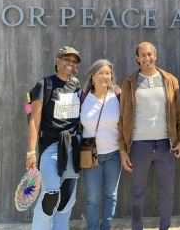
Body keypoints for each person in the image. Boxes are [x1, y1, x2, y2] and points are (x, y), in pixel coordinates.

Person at [118, 42, 180, 230]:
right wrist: (123, 150)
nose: (147, 58)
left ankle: (164, 227)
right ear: (137, 58)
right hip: (139, 146)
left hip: (166, 145)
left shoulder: (169, 80)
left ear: (155, 56)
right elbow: (122, 118)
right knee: (137, 192)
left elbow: (179, 113)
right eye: (143, 55)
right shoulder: (129, 82)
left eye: (150, 54)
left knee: (168, 192)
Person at [26, 46, 82, 230]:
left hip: (73, 147)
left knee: (66, 198)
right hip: (51, 147)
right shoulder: (45, 84)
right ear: (58, 60)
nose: (71, 64)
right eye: (67, 59)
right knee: (50, 194)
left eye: (74, 61)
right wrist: (31, 152)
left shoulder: (76, 85)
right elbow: (34, 120)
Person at [80, 59, 122, 230]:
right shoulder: (82, 97)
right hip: (89, 154)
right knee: (92, 198)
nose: (105, 76)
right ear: (92, 76)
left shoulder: (117, 95)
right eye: (101, 73)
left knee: (111, 195)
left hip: (114, 154)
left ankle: (106, 227)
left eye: (108, 73)